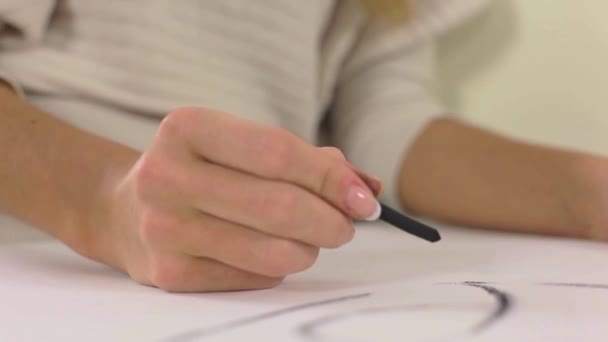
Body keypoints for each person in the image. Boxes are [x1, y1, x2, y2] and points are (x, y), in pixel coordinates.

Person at [0, 0, 606, 293]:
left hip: (243, 270)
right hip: (38, 255)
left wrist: (587, 195)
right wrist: (106, 205)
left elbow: (386, 122)